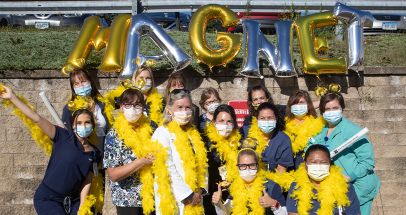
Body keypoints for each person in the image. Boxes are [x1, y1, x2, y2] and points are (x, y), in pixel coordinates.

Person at [0, 86, 99, 215]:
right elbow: (36, 118)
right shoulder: (62, 136)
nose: (83, 126)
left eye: (87, 123)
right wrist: (12, 97)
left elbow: (87, 180)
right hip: (48, 199)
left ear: (93, 125)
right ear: (73, 125)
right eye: (79, 123)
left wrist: (81, 206)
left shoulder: (95, 152)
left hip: (73, 202)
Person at [308, 93, 380, 215]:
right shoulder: (321, 130)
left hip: (358, 187)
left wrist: (351, 176)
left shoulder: (353, 131)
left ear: (342, 108)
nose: (331, 112)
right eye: (327, 109)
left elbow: (367, 162)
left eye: (335, 108)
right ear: (322, 111)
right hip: (334, 187)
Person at [152, 89, 208, 214]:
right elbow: (167, 166)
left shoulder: (193, 133)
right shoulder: (162, 132)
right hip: (174, 199)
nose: (184, 111)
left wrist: (201, 189)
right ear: (169, 110)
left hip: (196, 198)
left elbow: (202, 164)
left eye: (188, 107)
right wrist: (187, 195)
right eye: (180, 107)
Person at [103, 89, 156, 215]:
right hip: (127, 201)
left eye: (137, 105)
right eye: (128, 105)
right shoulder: (113, 135)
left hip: (153, 195)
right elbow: (113, 174)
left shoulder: (152, 127)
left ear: (143, 107)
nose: (133, 109)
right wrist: (142, 162)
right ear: (121, 107)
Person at [286, 144, 361, 215]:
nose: (318, 166)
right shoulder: (296, 186)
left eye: (323, 162)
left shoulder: (345, 186)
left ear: (329, 164)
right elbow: (292, 213)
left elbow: (354, 212)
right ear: (306, 164)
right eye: (313, 162)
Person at [212, 148, 288, 215]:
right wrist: (218, 204)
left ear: (257, 166)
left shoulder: (272, 187)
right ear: (238, 167)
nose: (247, 169)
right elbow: (225, 212)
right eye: (242, 166)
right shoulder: (235, 187)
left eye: (252, 165)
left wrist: (274, 204)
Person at [62, 68, 113, 153]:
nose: (81, 86)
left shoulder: (101, 104)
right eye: (76, 84)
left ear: (90, 82)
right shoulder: (70, 108)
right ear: (73, 88)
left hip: (104, 152)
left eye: (83, 81)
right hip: (82, 153)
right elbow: (67, 135)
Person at [203, 104, 241, 214]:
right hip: (211, 195)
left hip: (233, 195)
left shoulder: (240, 142)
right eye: (221, 121)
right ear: (214, 122)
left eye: (229, 121)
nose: (225, 125)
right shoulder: (205, 143)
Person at [242, 102, 294, 173]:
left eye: (270, 118)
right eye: (262, 118)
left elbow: (281, 172)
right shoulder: (246, 133)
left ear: (276, 118)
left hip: (273, 182)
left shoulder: (284, 140)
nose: (266, 121)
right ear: (257, 120)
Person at [284, 90, 325, 170]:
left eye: (302, 103)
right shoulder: (284, 124)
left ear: (308, 105)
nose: (298, 106)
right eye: (295, 103)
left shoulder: (316, 124)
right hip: (288, 165)